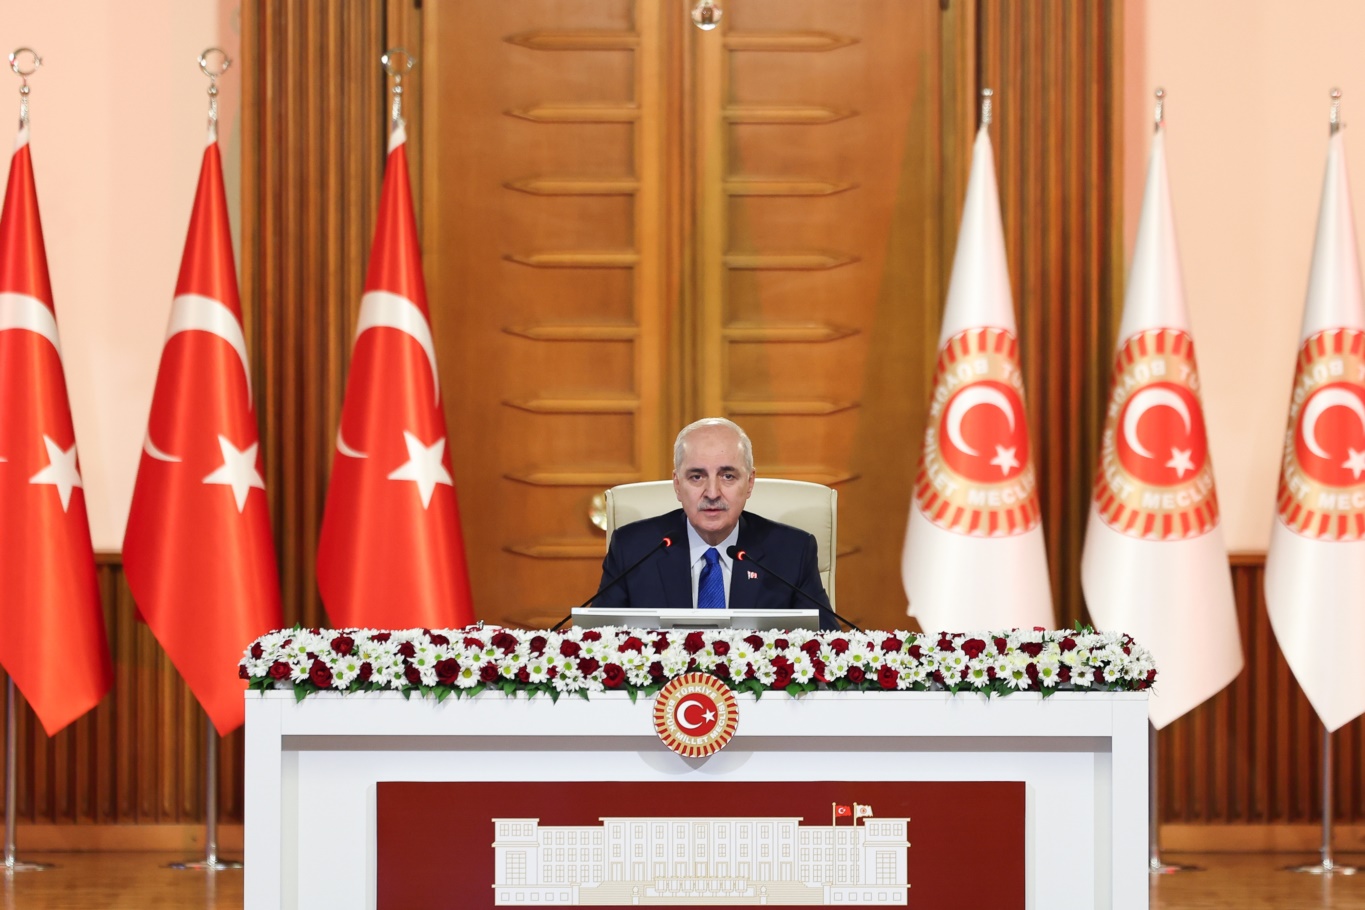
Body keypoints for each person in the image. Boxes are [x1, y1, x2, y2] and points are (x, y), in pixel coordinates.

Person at [592, 417, 836, 629]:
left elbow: (827, 647)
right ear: (677, 484)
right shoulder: (633, 550)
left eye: (728, 476)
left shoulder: (791, 552)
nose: (712, 493)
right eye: (696, 476)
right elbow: (595, 645)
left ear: (750, 483)